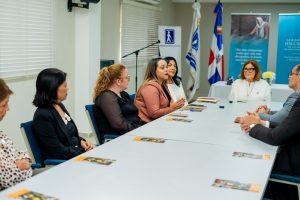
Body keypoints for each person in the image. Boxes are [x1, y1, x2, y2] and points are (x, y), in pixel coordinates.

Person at [240, 96, 300, 200]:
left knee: (250, 168)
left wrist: (253, 126)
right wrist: (262, 123)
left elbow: (275, 138)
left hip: (292, 166)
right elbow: (291, 126)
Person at [32, 68, 94, 160]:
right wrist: (82, 152)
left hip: (74, 155)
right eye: (64, 86)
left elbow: (69, 135)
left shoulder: (59, 105)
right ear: (52, 88)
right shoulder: (42, 115)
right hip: (64, 162)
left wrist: (81, 142)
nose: (67, 88)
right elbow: (57, 152)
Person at [235, 64, 300, 126]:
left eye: (291, 74)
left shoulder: (296, 96)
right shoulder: (236, 83)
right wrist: (268, 112)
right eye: (245, 69)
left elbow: (275, 120)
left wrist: (258, 114)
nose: (289, 77)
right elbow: (287, 114)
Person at [93, 64, 144, 141]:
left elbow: (133, 116)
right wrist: (141, 130)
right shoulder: (107, 97)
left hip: (130, 132)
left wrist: (144, 126)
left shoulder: (123, 94)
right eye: (127, 78)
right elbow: (119, 124)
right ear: (118, 81)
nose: (129, 80)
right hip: (118, 137)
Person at [0, 79, 32, 190]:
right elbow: (6, 179)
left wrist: (24, 161)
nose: (8, 109)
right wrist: (23, 168)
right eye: (4, 105)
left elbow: (18, 152)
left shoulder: (1, 133)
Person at [135, 58, 185, 122]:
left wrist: (175, 105)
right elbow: (154, 113)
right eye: (162, 68)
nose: (166, 70)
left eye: (167, 67)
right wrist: (172, 108)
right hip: (148, 124)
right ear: (154, 71)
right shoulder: (150, 88)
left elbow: (168, 104)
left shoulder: (163, 85)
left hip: (161, 119)